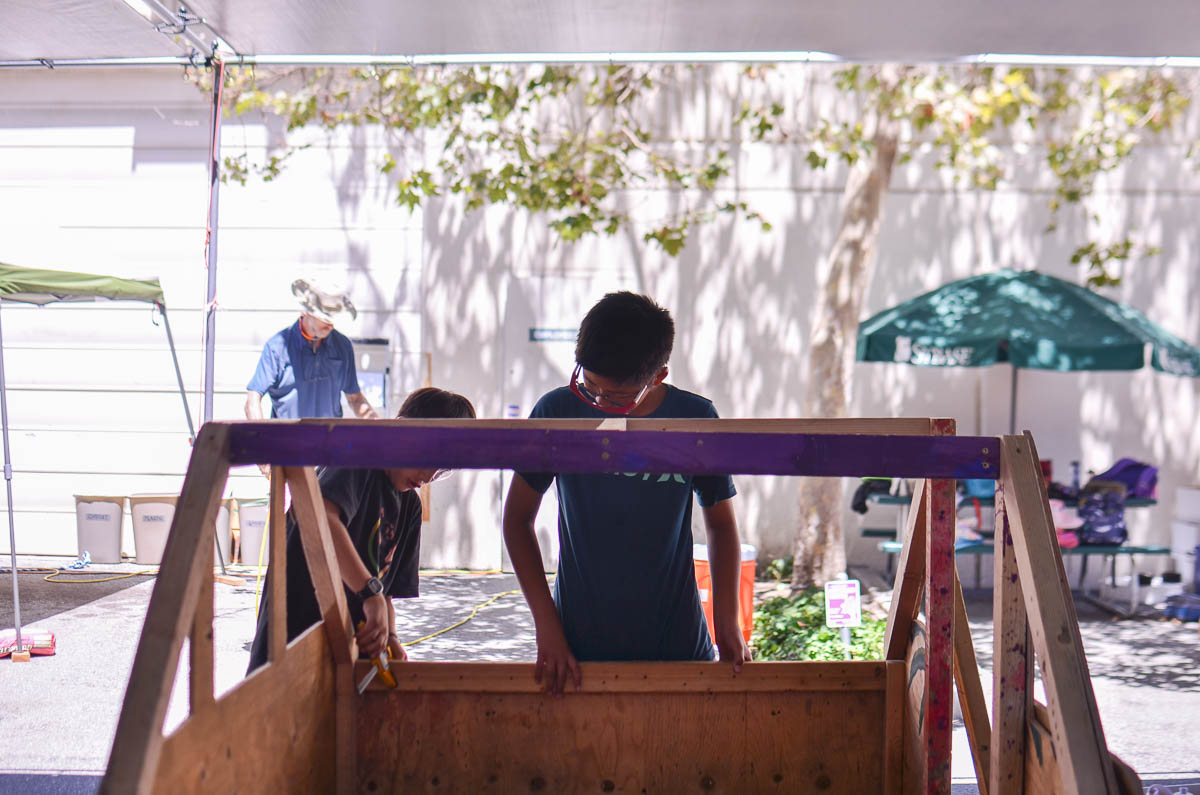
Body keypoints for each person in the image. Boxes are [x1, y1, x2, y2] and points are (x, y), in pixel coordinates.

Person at [502, 291, 752, 696]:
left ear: (659, 376)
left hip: (679, 644)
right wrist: (546, 629)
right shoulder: (558, 412)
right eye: (589, 385)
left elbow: (721, 525)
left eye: (614, 397)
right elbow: (516, 521)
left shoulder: (694, 418)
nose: (597, 401)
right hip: (577, 647)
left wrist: (727, 623)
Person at [246, 387, 476, 674]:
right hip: (294, 632)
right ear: (405, 431)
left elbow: (387, 589)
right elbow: (321, 521)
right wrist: (370, 593)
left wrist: (390, 636)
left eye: (443, 471)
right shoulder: (357, 458)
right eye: (431, 459)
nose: (429, 476)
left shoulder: (409, 507)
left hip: (347, 646)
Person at [245, 277, 379, 423]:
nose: (331, 325)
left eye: (333, 319)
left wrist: (380, 429)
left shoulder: (342, 346)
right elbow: (252, 399)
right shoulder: (277, 347)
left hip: (329, 440)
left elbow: (355, 399)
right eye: (325, 318)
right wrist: (260, 435)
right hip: (286, 440)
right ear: (308, 312)